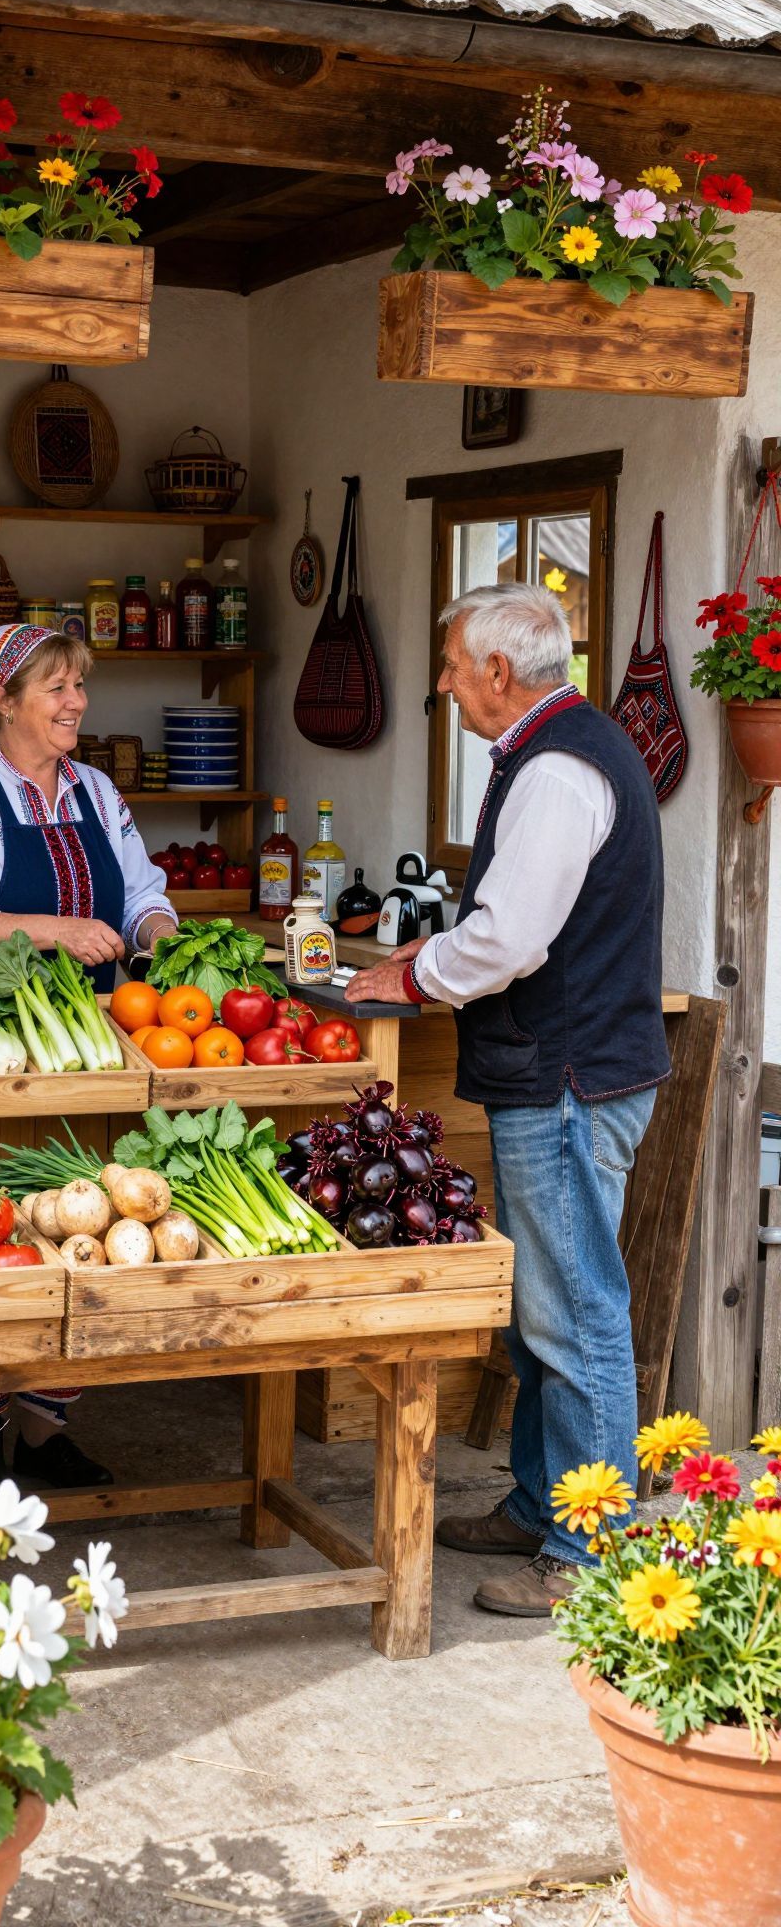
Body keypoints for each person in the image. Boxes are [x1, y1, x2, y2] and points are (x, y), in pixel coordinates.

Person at [346, 583, 670, 1617]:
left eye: (450, 664)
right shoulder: (563, 750)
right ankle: (542, 1505)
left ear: (497, 670)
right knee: (544, 1314)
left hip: (568, 1076)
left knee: (575, 1313)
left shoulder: (558, 769)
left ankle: (590, 1550)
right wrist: (427, 951)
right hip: (569, 1069)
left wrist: (412, 974)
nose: (442, 684)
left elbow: (510, 939)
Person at [0, 621, 178, 1487]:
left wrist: (161, 933)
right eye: (58, 688)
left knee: (85, 1227)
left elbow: (141, 891)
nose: (77, 704)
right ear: (6, 701)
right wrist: (55, 930)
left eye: (80, 686)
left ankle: (44, 1426)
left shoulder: (97, 791)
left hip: (98, 1043)